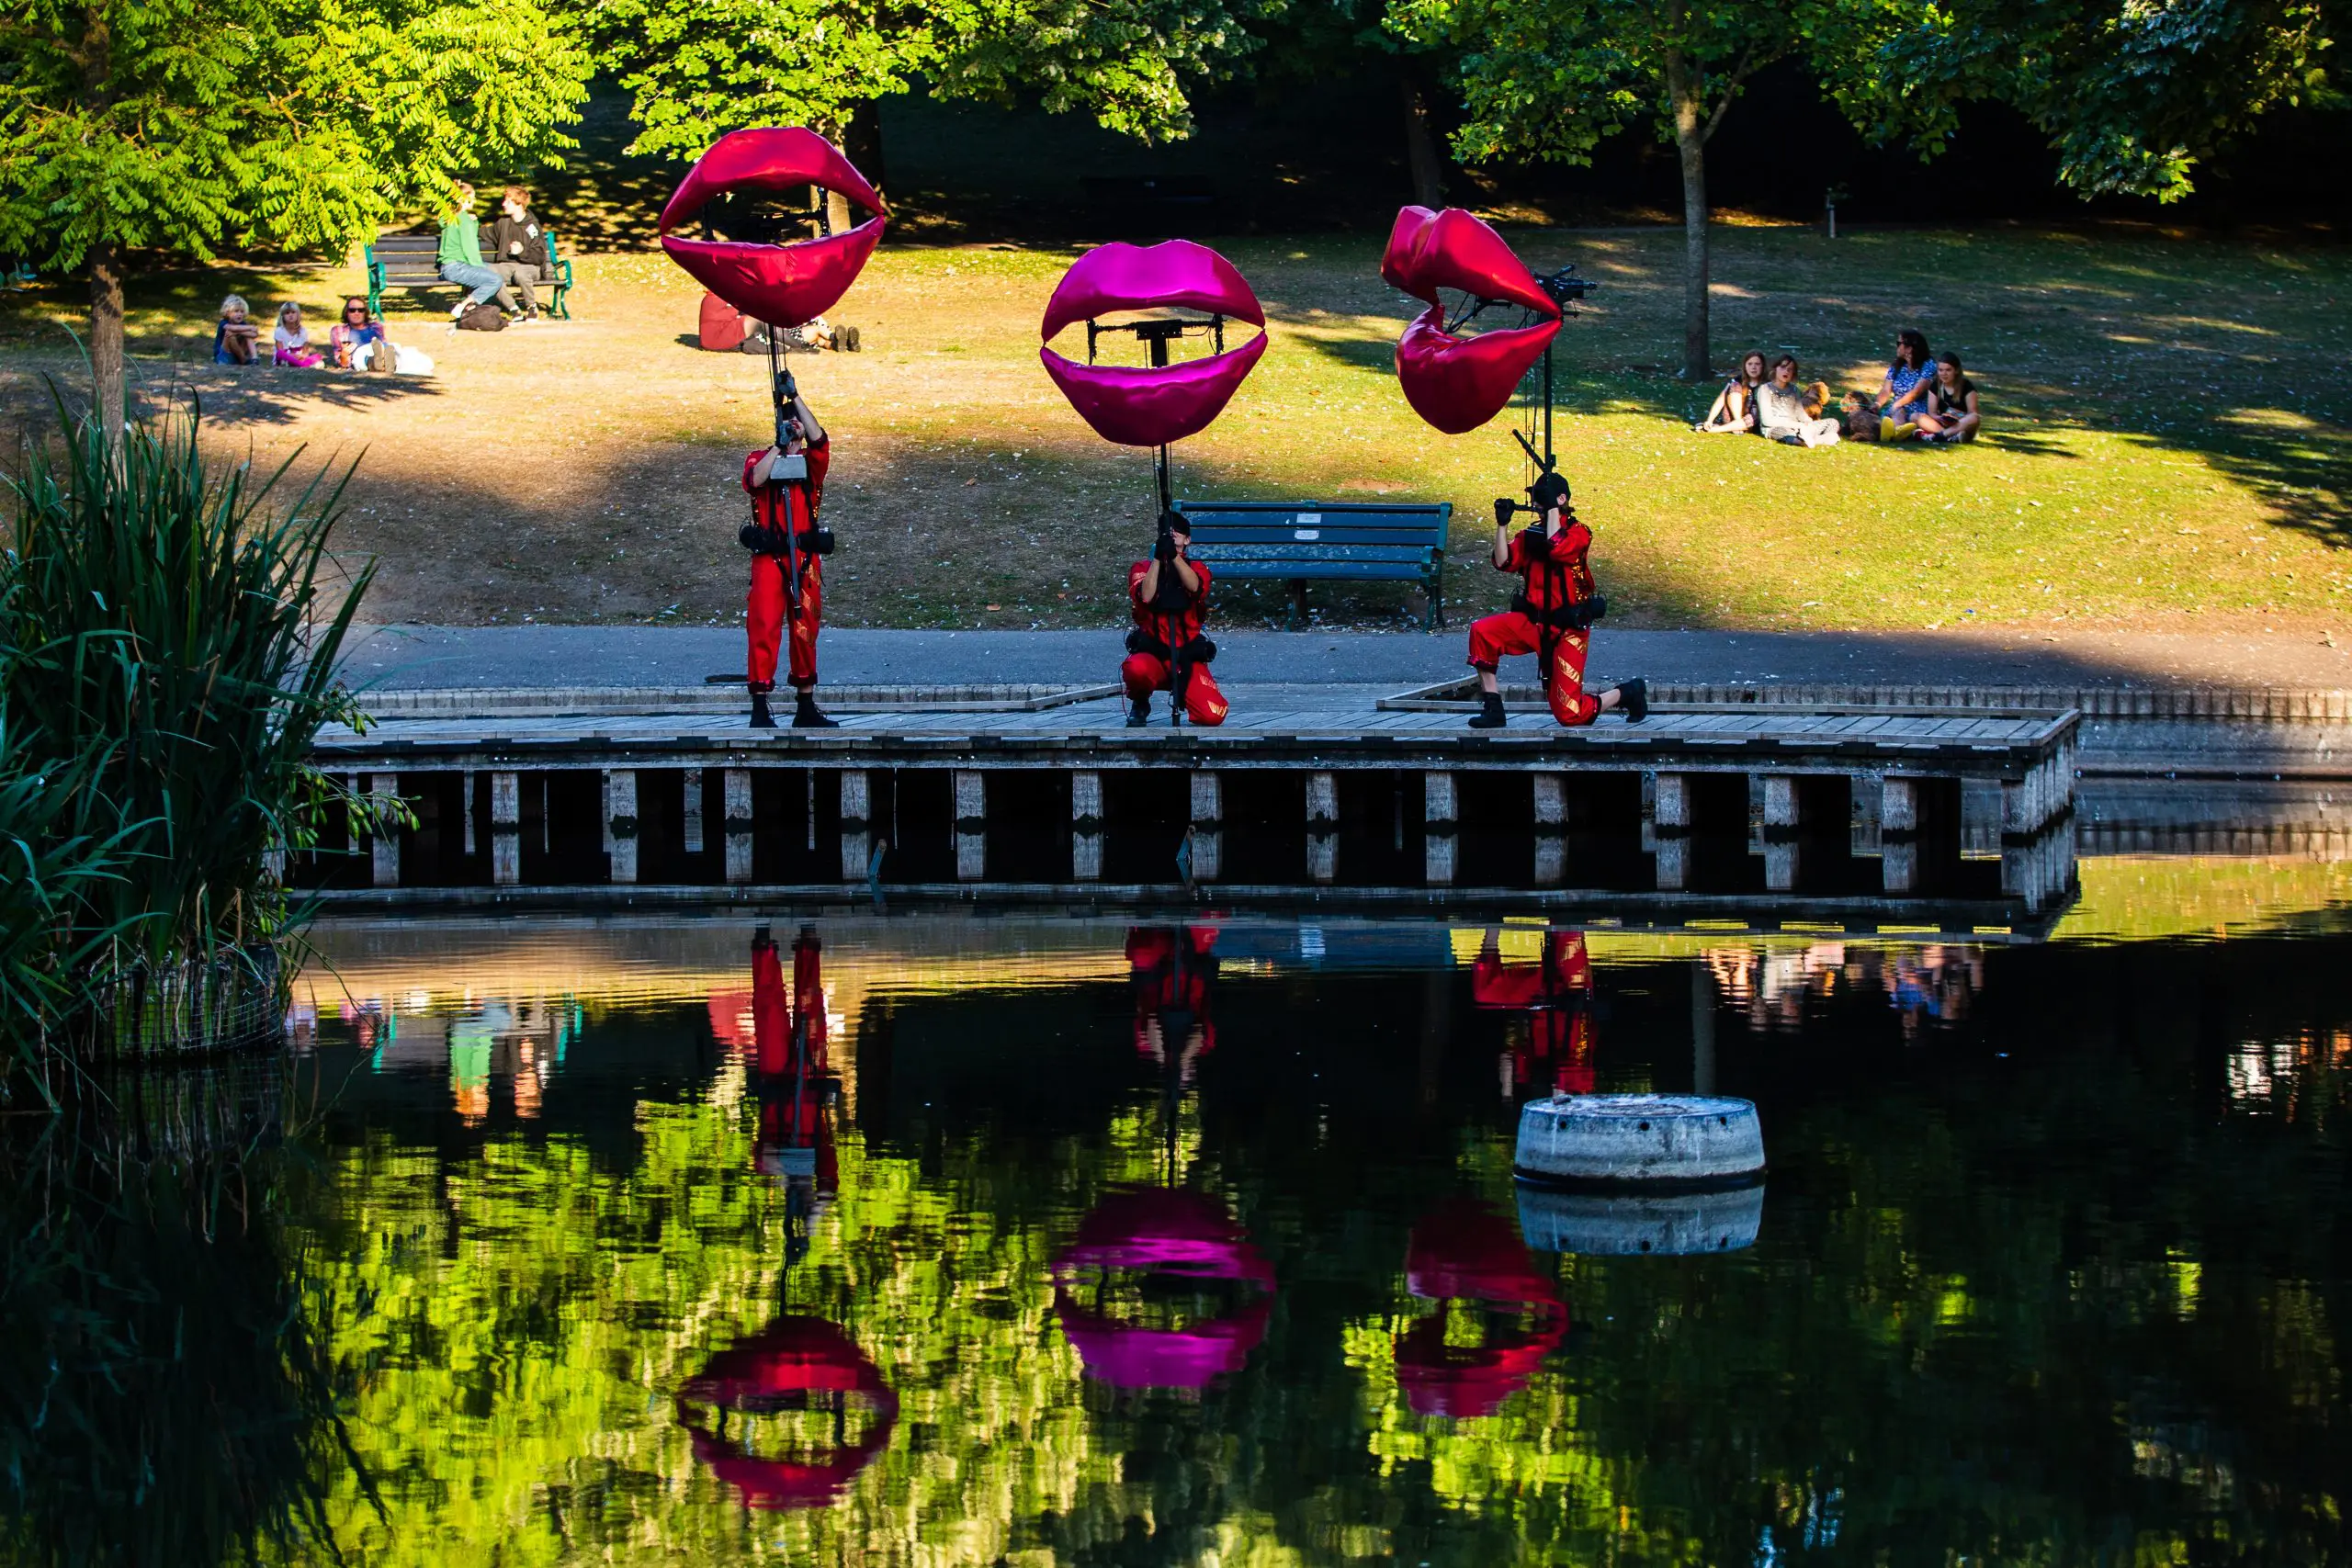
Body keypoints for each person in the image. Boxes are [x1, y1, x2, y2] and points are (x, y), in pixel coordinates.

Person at [1465, 471, 1645, 730]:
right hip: (1533, 623)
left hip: (1567, 631)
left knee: (1570, 715)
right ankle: (1493, 709)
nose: (1537, 503)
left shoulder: (1579, 533)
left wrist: (1552, 510)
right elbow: (1503, 562)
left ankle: (1628, 693)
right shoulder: (1530, 535)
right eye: (1537, 498)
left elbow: (1558, 547)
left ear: (1562, 499)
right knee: (1482, 631)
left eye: (1544, 498)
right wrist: (1502, 525)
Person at [741, 378, 836, 728]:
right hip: (770, 557)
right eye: (789, 422)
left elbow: (821, 438)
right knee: (763, 627)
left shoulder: (812, 464)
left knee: (805, 629)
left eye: (797, 423)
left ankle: (805, 705)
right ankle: (760, 706)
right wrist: (777, 448)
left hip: (804, 559)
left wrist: (795, 397)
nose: (795, 428)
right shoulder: (760, 457)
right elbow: (755, 480)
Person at [1122, 512, 1228, 728]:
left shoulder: (1198, 568)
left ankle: (1185, 694)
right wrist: (1158, 558)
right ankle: (1140, 702)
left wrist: (1174, 557)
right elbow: (1146, 596)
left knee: (1212, 716)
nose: (1171, 533)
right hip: (1153, 654)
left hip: (1186, 657)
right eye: (1166, 530)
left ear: (1187, 540)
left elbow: (1195, 586)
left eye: (1177, 530)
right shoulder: (1141, 568)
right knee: (1135, 669)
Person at [436, 181, 517, 320]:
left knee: (493, 271)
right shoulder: (464, 220)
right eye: (472, 197)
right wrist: (479, 266)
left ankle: (512, 308)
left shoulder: (450, 216)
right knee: (494, 280)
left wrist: (473, 221)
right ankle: (464, 306)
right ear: (462, 199)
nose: (474, 200)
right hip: (458, 267)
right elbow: (470, 249)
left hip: (449, 266)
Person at [485, 186, 554, 322]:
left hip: (530, 266)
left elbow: (539, 256)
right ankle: (513, 309)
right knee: (488, 272)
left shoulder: (531, 227)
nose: (503, 204)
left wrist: (522, 252)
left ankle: (531, 307)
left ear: (519, 205)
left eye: (508, 201)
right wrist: (468, 221)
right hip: (507, 265)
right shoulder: (503, 223)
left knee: (521, 273)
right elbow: (484, 233)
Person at [1754, 355, 1839, 446]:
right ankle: (1817, 440)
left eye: (1790, 369)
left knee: (1833, 422)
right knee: (1785, 432)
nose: (1786, 371)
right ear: (1775, 368)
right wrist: (1795, 425)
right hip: (1776, 427)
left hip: (1800, 428)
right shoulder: (1765, 389)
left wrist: (1807, 421)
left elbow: (1800, 413)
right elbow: (1767, 421)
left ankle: (1810, 437)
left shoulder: (1795, 390)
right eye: (1783, 367)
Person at [1876, 330, 1936, 434]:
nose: (1897, 347)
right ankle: (1895, 432)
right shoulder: (1897, 366)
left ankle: (1892, 432)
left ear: (1909, 348)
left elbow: (1916, 392)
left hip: (1917, 410)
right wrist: (1878, 404)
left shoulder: (1928, 365)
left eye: (1899, 344)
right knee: (1897, 413)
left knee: (1899, 413)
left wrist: (1896, 405)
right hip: (1897, 408)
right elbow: (1886, 390)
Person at [1693, 350, 1768, 434]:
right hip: (1735, 417)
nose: (1753, 367)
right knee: (1734, 385)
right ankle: (1736, 423)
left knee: (1753, 416)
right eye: (1750, 364)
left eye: (1757, 364)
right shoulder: (1738, 380)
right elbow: (1722, 398)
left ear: (1763, 366)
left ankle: (1713, 430)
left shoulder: (1767, 384)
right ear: (1745, 366)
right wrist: (1710, 420)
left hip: (1754, 421)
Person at [1916, 353, 1983, 444]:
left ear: (1956, 370)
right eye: (1941, 370)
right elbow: (1932, 413)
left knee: (1974, 417)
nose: (1944, 374)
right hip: (1944, 423)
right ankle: (1950, 437)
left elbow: (1973, 412)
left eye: (1948, 370)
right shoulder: (1935, 385)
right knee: (1915, 416)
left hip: (1962, 424)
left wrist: (1958, 416)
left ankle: (1939, 436)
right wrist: (1940, 418)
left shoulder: (1966, 386)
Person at [328, 297, 389, 369]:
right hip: (361, 360)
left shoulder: (376, 327)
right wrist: (344, 355)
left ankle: (385, 361)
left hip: (384, 352)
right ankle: (378, 363)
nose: (356, 313)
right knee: (367, 358)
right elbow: (342, 363)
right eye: (352, 310)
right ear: (346, 312)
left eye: (361, 310)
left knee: (399, 350)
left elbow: (385, 343)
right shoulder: (339, 331)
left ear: (365, 312)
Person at [271, 302, 323, 367]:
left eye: (293, 312)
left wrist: (301, 356)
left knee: (318, 356)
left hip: (299, 359)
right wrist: (293, 356)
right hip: (283, 360)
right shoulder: (279, 331)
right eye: (287, 313)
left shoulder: (303, 331)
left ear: (298, 315)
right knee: (280, 353)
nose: (290, 315)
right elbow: (280, 351)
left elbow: (305, 353)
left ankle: (301, 364)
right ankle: (305, 365)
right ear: (283, 316)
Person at [213, 295, 260, 365]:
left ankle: (255, 359)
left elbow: (255, 334)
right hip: (223, 355)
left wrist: (238, 333)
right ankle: (243, 358)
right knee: (229, 334)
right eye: (236, 311)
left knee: (248, 335)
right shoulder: (224, 322)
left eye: (242, 312)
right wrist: (250, 327)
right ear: (228, 312)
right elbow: (231, 328)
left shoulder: (243, 324)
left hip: (237, 356)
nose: (240, 314)